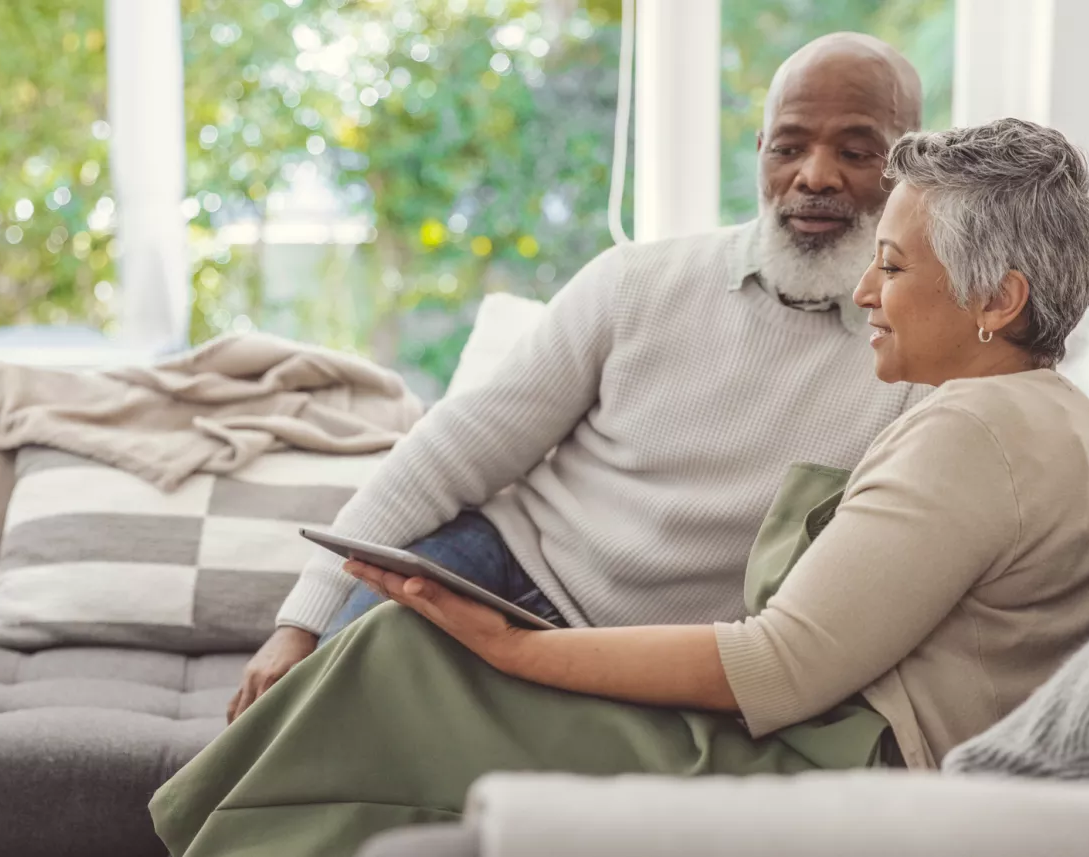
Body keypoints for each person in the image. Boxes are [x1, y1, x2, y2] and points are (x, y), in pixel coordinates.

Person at [151, 118, 1089, 857]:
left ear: (998, 298)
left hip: (829, 761)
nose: (867, 292)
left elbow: (780, 664)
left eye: (893, 265)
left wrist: (515, 643)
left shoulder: (971, 426)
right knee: (404, 647)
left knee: (409, 655)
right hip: (831, 738)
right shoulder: (1047, 414)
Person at [229, 31, 931, 722]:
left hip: (654, 663)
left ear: (909, 168)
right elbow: (454, 451)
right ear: (760, 154)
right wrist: (300, 622)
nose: (814, 175)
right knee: (303, 722)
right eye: (788, 146)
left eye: (855, 151)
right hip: (498, 569)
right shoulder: (636, 283)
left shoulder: (923, 365)